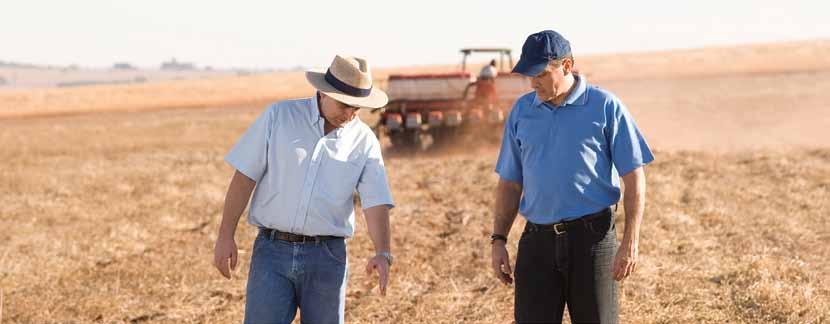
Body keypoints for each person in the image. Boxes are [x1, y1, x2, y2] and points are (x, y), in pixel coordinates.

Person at [213, 55, 395, 324]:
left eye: (357, 107)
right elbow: (244, 178)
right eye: (345, 104)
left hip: (328, 258)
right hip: (271, 254)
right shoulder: (279, 117)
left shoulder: (364, 140)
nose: (351, 113)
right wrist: (225, 235)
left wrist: (383, 252)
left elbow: (375, 202)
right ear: (323, 92)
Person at [490, 30, 654, 323]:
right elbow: (510, 183)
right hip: (536, 242)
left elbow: (634, 176)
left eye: (540, 73)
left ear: (567, 66)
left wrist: (631, 240)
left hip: (593, 241)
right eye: (529, 74)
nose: (533, 81)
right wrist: (499, 239)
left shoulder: (605, 106)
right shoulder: (521, 112)